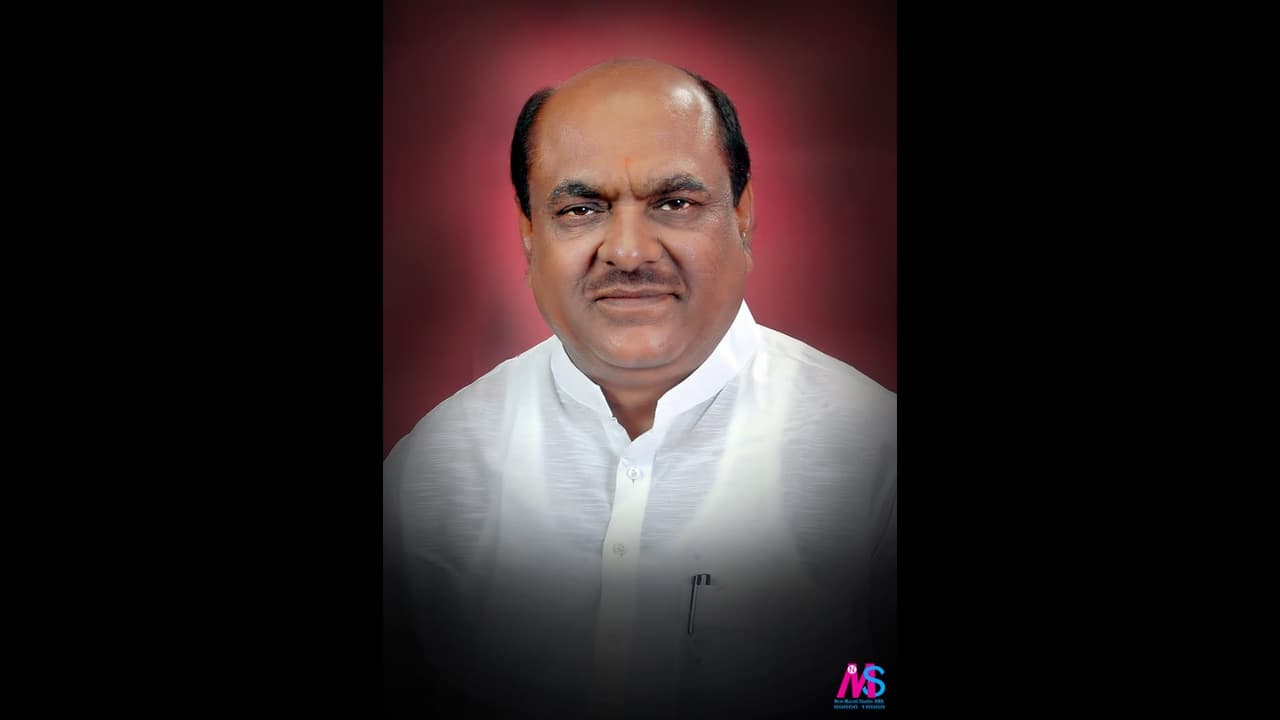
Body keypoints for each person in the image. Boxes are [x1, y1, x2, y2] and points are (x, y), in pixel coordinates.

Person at [383, 58, 896, 719]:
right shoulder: (429, 477)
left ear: (742, 216)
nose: (628, 252)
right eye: (580, 209)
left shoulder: (875, 462)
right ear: (529, 234)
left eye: (674, 203)